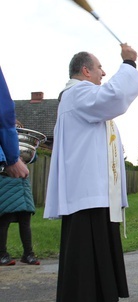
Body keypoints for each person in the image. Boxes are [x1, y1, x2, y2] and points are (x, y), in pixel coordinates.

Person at [43, 44, 138, 301]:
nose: (104, 72)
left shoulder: (80, 96)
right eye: (99, 67)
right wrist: (129, 64)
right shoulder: (78, 94)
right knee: (86, 262)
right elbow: (112, 98)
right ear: (86, 70)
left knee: (94, 257)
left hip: (96, 193)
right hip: (88, 194)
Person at [0, 67, 32, 266]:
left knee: (25, 223)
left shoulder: (23, 149)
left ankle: (28, 253)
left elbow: (30, 160)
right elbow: (3, 109)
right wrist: (11, 157)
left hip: (22, 189)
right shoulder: (8, 151)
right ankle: (2, 253)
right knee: (3, 222)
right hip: (6, 187)